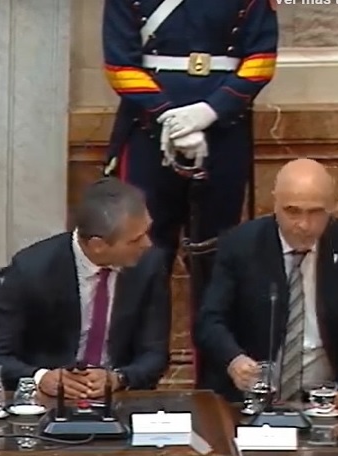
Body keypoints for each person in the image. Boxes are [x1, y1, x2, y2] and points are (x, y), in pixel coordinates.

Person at [101, 0, 278, 270]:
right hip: (148, 130)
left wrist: (210, 111)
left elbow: (261, 59)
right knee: (142, 247)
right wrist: (167, 117)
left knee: (218, 249)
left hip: (223, 131)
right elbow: (119, 64)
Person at [0, 177, 170, 399]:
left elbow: (155, 355)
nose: (147, 244)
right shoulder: (31, 270)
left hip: (118, 399)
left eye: (147, 232)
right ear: (97, 245)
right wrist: (41, 378)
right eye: (135, 239)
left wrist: (118, 378)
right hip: (48, 401)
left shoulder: (149, 265)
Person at [194, 159, 338, 414]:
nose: (304, 224)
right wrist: (234, 359)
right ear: (275, 204)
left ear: (331, 207)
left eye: (315, 212)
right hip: (253, 401)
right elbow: (209, 321)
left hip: (328, 401)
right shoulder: (240, 245)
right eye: (293, 211)